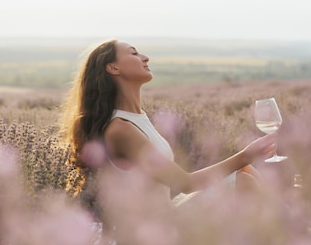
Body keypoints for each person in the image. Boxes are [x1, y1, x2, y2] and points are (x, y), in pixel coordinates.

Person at [59, 39, 277, 215]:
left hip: (168, 211)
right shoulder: (121, 129)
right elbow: (185, 183)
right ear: (113, 67)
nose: (145, 57)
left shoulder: (137, 118)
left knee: (244, 171)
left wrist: (245, 161)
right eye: (134, 53)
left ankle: (280, 237)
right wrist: (247, 154)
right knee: (242, 178)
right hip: (154, 230)